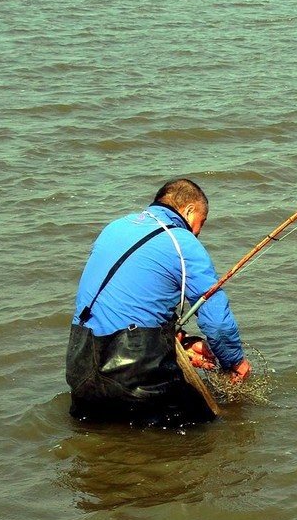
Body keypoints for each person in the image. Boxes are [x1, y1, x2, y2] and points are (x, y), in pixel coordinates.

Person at [66, 178, 250, 424]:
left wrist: (180, 342)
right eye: (201, 223)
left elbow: (128, 303)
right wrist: (234, 362)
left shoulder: (114, 228)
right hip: (136, 378)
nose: (198, 232)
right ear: (188, 210)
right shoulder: (182, 241)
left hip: (80, 365)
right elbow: (215, 320)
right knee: (212, 431)